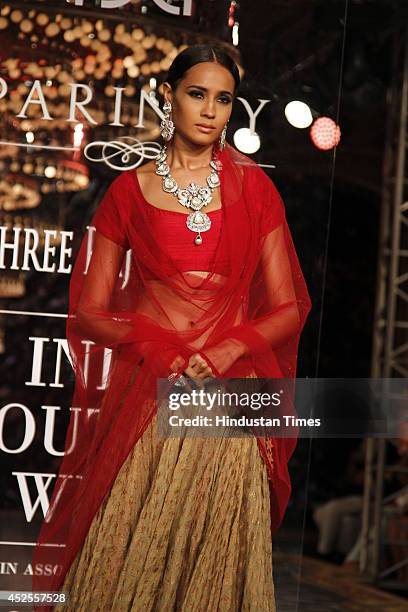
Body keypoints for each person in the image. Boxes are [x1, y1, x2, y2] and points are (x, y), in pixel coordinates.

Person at [31, 44, 311, 611]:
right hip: (152, 397)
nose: (210, 110)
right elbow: (88, 311)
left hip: (229, 403)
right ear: (168, 96)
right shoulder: (128, 193)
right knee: (129, 561)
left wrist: (232, 347)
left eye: (224, 99)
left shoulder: (256, 189)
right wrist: (157, 346)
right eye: (197, 94)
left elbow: (289, 308)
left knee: (215, 567)